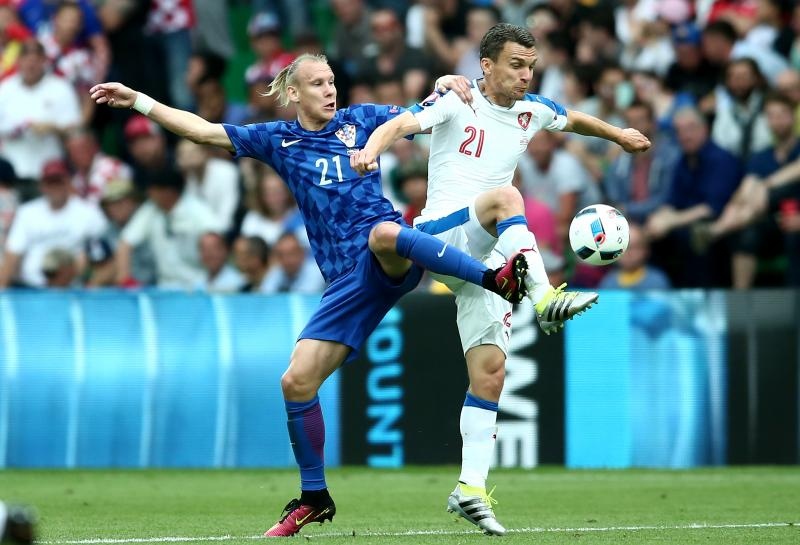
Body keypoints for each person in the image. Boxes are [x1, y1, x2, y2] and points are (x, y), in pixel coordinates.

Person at [90, 55, 528, 538]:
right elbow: (203, 131)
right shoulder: (279, 139)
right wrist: (138, 101)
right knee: (295, 382)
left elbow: (421, 116)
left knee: (384, 232)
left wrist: (447, 85)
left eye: (332, 81)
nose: (329, 89)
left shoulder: (362, 120)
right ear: (294, 93)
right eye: (317, 83)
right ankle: (315, 497)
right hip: (344, 283)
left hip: (390, 255)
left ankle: (496, 279)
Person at [351, 23, 651, 535]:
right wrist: (370, 150)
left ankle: (469, 487)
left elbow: (572, 118)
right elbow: (400, 125)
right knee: (507, 195)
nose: (525, 74)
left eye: (530, 65)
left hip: (486, 253)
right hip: (440, 233)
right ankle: (544, 294)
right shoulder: (456, 99)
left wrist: (618, 134)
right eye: (515, 64)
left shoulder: (533, 110)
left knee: (490, 374)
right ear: (485, 65)